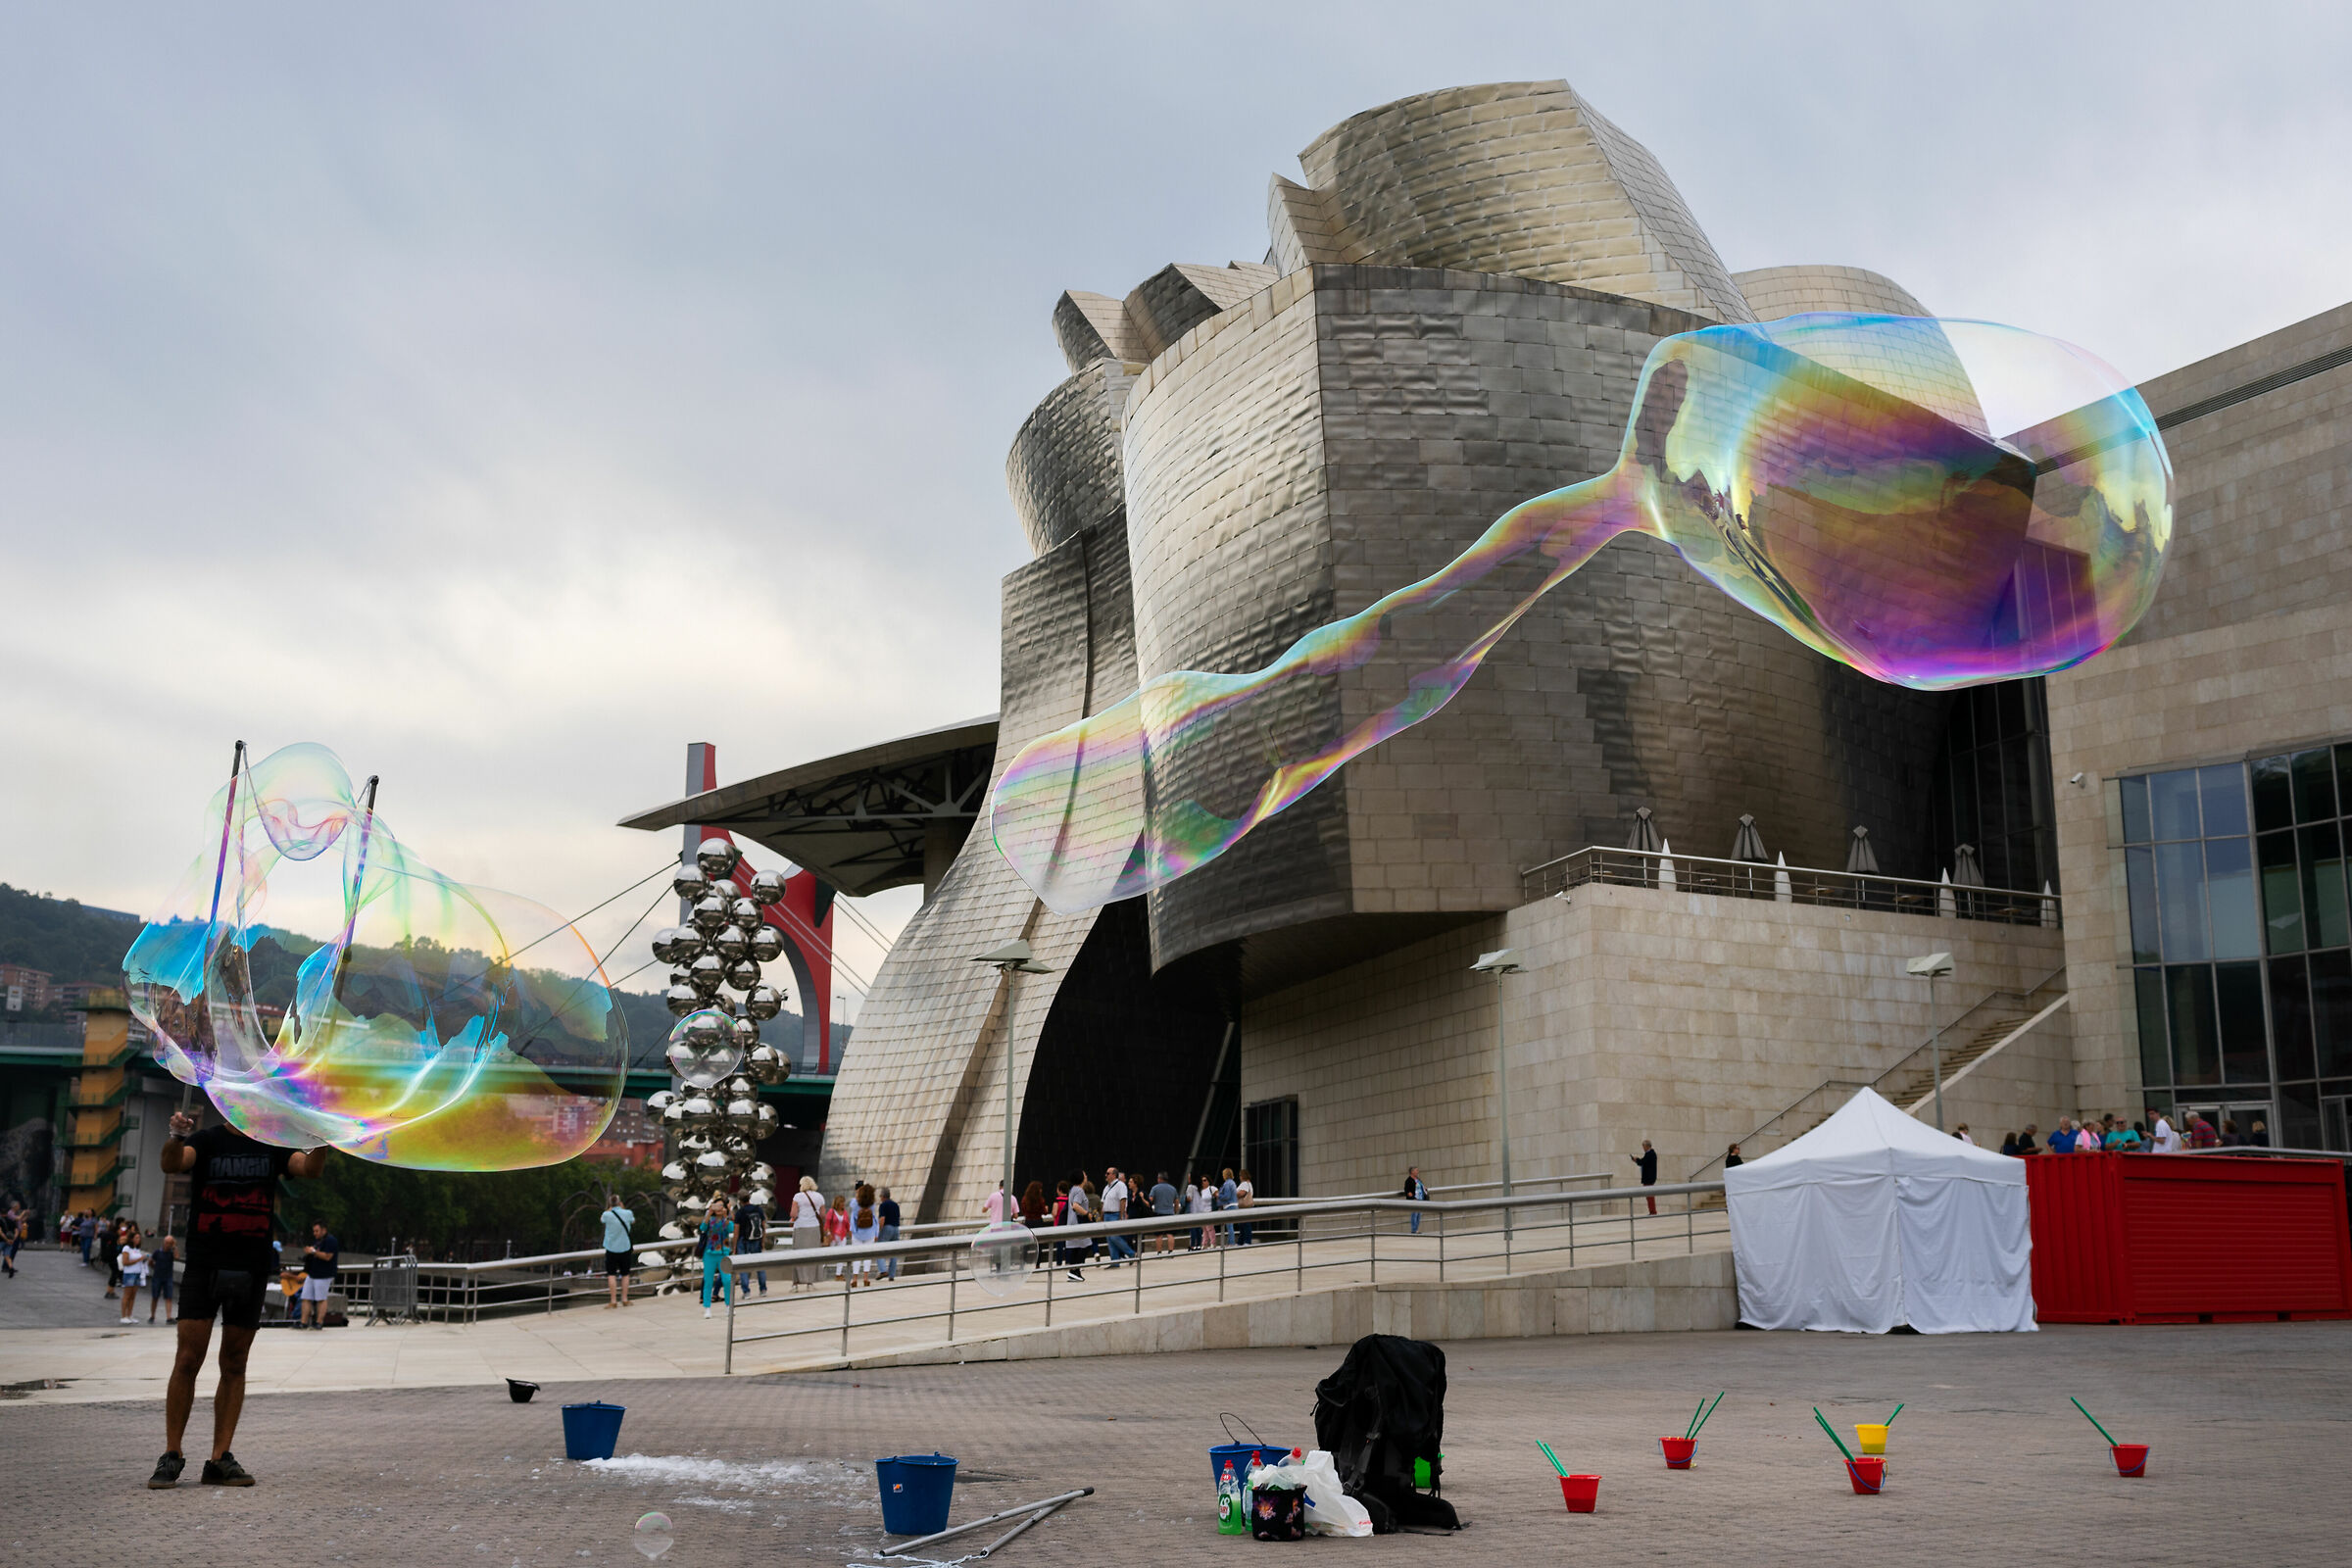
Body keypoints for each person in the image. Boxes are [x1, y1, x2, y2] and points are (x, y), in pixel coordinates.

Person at [151, 1107, 329, 1488]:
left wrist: (324, 1135)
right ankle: (171, 1453)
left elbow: (310, 1168)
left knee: (235, 1362)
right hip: (204, 1263)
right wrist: (176, 1135)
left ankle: (219, 1458)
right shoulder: (206, 1141)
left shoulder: (271, 1144)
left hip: (251, 1266)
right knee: (187, 1358)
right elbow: (172, 1163)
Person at [298, 1221, 339, 1329]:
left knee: (321, 1298)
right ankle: (303, 1322)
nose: (314, 1233)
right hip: (312, 1274)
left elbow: (328, 1256)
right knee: (305, 1297)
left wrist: (313, 1252)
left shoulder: (331, 1240)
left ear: (324, 1230)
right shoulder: (318, 1241)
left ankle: (319, 1322)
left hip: (324, 1274)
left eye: (317, 1231)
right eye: (314, 1231)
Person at [698, 1199, 735, 1318]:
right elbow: (703, 1228)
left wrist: (725, 1215)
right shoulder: (710, 1219)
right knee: (708, 1281)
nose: (718, 1209)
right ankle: (707, 1308)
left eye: (721, 1206)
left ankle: (729, 1306)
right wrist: (708, 1214)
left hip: (723, 1253)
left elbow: (731, 1229)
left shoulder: (725, 1220)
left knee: (727, 1280)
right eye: (716, 1206)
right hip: (709, 1253)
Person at [599, 1193, 636, 1309]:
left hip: (611, 1248)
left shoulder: (607, 1214)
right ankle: (624, 1299)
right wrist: (623, 1209)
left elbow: (602, 1220)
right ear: (620, 1202)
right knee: (625, 1274)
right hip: (625, 1248)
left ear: (610, 1203)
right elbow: (633, 1221)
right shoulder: (628, 1213)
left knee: (611, 1275)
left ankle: (613, 1301)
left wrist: (609, 1209)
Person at [789, 1175, 824, 1291]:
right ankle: (810, 1281)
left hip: (800, 1227)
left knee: (797, 1254)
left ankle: (796, 1283)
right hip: (814, 1228)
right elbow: (822, 1215)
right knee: (812, 1254)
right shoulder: (819, 1197)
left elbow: (793, 1214)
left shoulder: (797, 1196)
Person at [735, 1192, 768, 1296]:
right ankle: (763, 1289)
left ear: (740, 1200)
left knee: (743, 1266)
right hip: (756, 1240)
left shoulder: (740, 1212)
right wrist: (763, 1242)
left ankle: (746, 1292)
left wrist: (734, 1246)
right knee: (759, 1265)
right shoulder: (758, 1209)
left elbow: (736, 1231)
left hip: (743, 1241)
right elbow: (763, 1226)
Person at [1063, 1173, 1095, 1281]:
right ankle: (1074, 1270)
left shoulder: (1073, 1189)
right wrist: (1087, 1214)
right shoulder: (1079, 1191)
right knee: (1087, 1245)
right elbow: (1075, 1205)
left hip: (1072, 1222)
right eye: (1084, 1175)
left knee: (1076, 1247)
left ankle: (1074, 1272)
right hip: (1078, 1222)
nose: (1086, 1176)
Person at [848, 1185, 881, 1288]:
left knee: (856, 1256)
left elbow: (852, 1218)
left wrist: (851, 1231)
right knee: (868, 1256)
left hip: (857, 1233)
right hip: (870, 1232)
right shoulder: (872, 1204)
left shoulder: (854, 1203)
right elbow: (875, 1219)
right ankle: (866, 1278)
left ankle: (855, 1279)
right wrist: (876, 1233)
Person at [118, 1223, 148, 1324]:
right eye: (136, 1237)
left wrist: (143, 1259)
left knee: (133, 1296)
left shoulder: (137, 1249)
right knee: (127, 1295)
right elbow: (125, 1262)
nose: (138, 1239)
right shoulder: (127, 1248)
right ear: (131, 1239)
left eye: (139, 1237)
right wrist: (139, 1259)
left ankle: (129, 1315)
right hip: (129, 1274)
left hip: (137, 1273)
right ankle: (123, 1316)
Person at [1101, 1168, 1132, 1265]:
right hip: (1107, 1215)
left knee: (1114, 1237)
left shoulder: (1120, 1185)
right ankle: (1115, 1262)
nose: (1106, 1175)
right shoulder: (1106, 1187)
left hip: (1115, 1214)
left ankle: (1131, 1254)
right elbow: (1103, 1203)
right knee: (1109, 1239)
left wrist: (1121, 1215)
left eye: (1108, 1173)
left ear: (1114, 1175)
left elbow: (1123, 1200)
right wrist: (1101, 1216)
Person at [147, 1229, 177, 1323]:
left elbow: (177, 1257)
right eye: (166, 1242)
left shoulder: (171, 1253)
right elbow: (150, 1262)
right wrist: (155, 1268)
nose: (167, 1244)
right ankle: (152, 1316)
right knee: (155, 1297)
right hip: (157, 1277)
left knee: (168, 1297)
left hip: (168, 1277)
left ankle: (169, 1317)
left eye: (169, 1243)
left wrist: (174, 1247)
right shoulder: (157, 1252)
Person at [823, 1192, 851, 1279]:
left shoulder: (845, 1212)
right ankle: (822, 1268)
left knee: (841, 1255)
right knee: (829, 1254)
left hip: (842, 1236)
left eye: (843, 1202)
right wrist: (829, 1234)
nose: (843, 1204)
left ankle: (838, 1274)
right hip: (833, 1236)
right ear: (837, 1203)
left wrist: (851, 1234)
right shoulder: (831, 1212)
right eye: (841, 1202)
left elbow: (847, 1225)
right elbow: (827, 1224)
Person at [877, 1187, 903, 1280]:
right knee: (894, 1252)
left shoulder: (883, 1205)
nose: (880, 1198)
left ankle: (883, 1270)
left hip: (887, 1228)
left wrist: (879, 1230)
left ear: (883, 1196)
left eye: (880, 1196)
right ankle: (892, 1275)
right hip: (896, 1228)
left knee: (878, 1249)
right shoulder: (895, 1205)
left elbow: (882, 1219)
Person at [1150, 1171, 1178, 1253]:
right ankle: (1170, 1251)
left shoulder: (1155, 1188)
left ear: (1159, 1179)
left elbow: (1151, 1199)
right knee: (1170, 1234)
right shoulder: (1173, 1188)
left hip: (1158, 1213)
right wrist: (1175, 1211)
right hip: (1170, 1214)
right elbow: (1176, 1201)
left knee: (1159, 1235)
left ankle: (1159, 1252)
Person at [1631, 1140, 1658, 1216]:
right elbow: (1643, 1162)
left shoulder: (1650, 1154)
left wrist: (1636, 1160)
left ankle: (1653, 1212)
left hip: (1649, 1178)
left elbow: (1643, 1162)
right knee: (1648, 1196)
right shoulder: (1649, 1153)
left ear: (1647, 1146)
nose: (1643, 1148)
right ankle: (1652, 1211)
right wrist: (1636, 1160)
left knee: (1650, 1196)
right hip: (1648, 1178)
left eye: (1643, 1146)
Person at [1401, 1167, 1428, 1234]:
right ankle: (1414, 1229)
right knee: (1414, 1214)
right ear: (1412, 1172)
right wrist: (1413, 1197)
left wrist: (1424, 1188)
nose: (1417, 1171)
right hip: (1414, 1199)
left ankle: (1416, 1229)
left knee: (1419, 1214)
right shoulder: (1409, 1180)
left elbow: (1421, 1187)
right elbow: (1407, 1190)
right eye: (1416, 1170)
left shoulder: (1418, 1179)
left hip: (1420, 1199)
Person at [1235, 1167, 1256, 1247]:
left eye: (1240, 1175)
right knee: (1243, 1224)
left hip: (1244, 1207)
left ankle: (1247, 1241)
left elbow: (1242, 1193)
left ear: (1243, 1176)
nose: (1239, 1177)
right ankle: (1242, 1241)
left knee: (1245, 1224)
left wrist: (1233, 1194)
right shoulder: (1249, 1183)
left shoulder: (1244, 1183)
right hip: (1247, 1207)